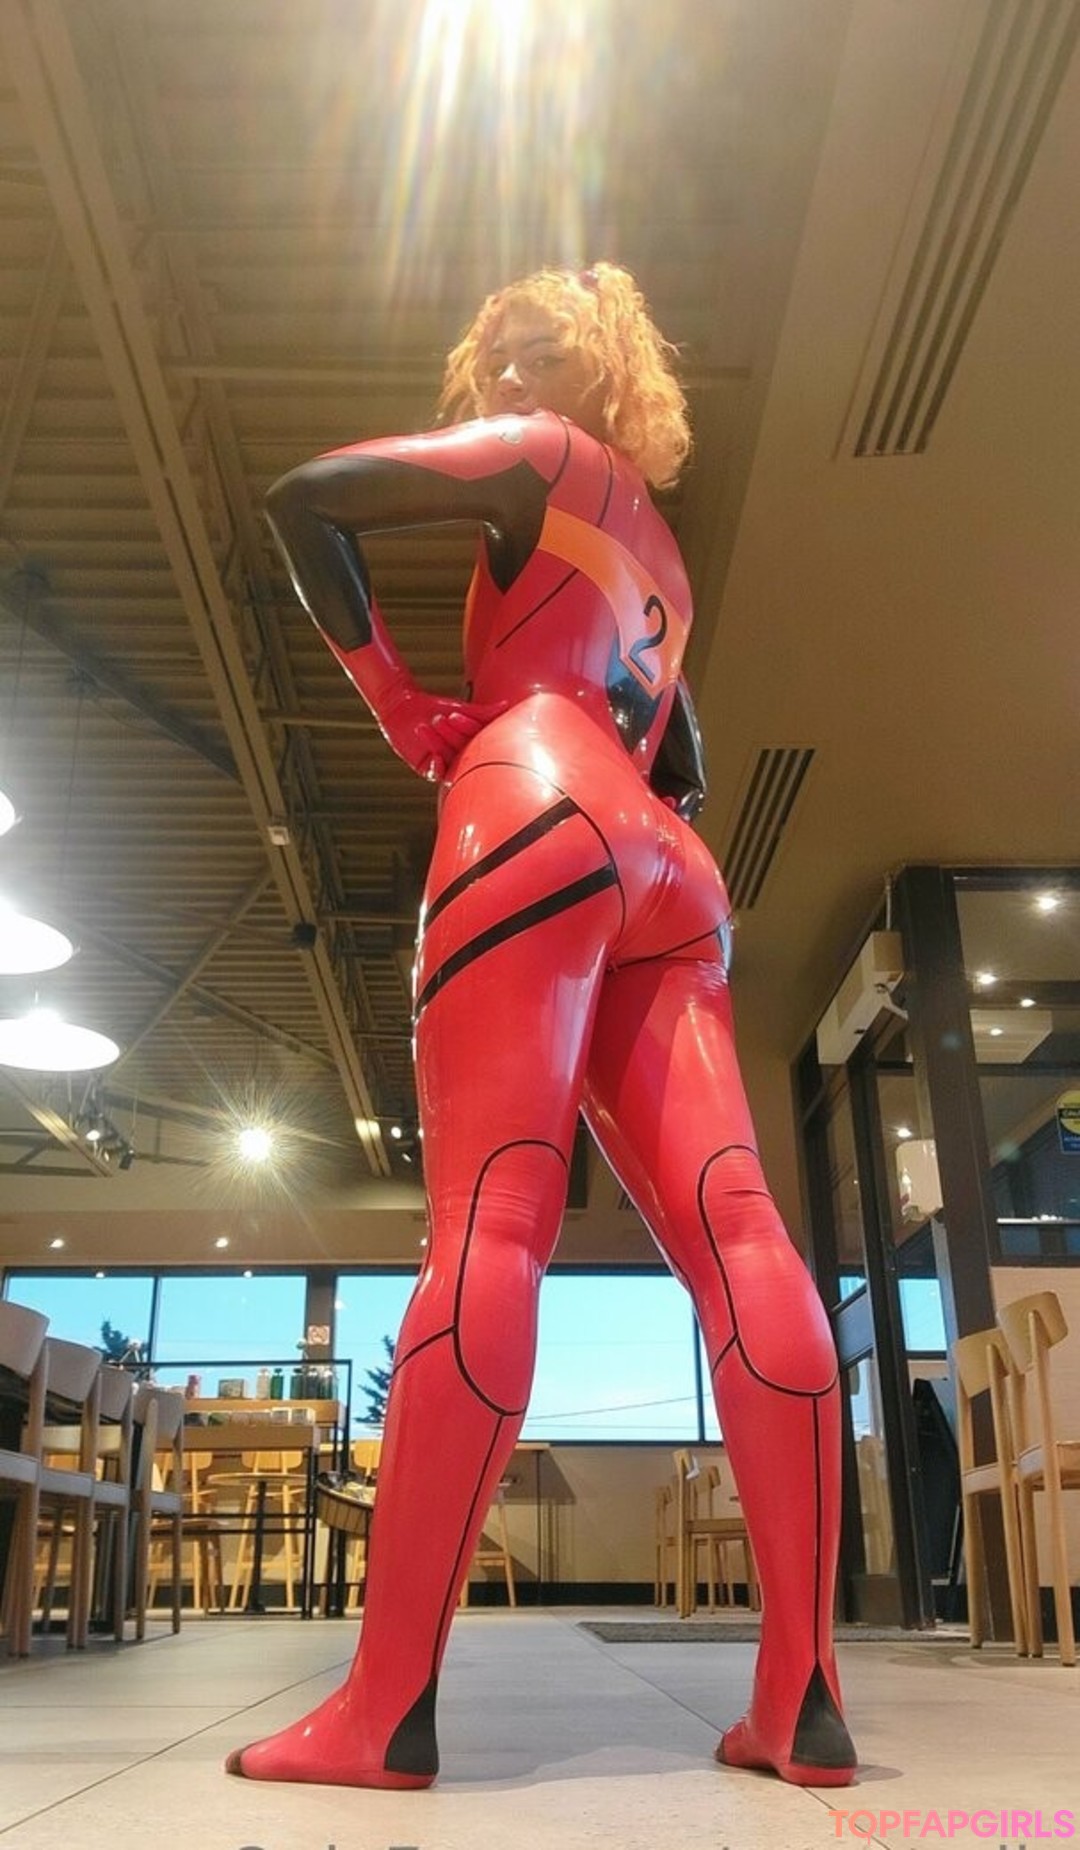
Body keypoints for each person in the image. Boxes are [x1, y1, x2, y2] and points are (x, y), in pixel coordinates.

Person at [226, 262, 856, 1791]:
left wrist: (400, 702)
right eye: (499, 355)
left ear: (599, 377)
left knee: (490, 1225)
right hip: (668, 866)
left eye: (538, 351)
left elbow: (310, 501)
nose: (507, 375)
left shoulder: (540, 460)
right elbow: (681, 756)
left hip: (528, 795)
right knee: (744, 1231)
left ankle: (382, 1709)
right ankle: (803, 1697)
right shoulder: (667, 566)